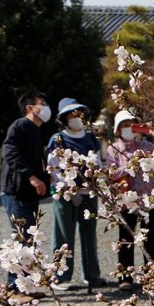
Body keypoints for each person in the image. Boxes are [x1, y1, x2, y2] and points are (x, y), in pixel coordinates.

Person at [46, 98, 106, 291]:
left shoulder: (91, 138)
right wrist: (67, 187)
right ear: (63, 118)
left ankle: (92, 275)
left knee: (89, 234)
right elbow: (53, 168)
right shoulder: (58, 139)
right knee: (64, 234)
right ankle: (61, 276)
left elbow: (97, 162)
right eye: (71, 115)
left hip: (89, 191)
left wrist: (95, 183)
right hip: (65, 193)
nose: (75, 118)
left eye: (78, 114)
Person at [0, 91, 51, 302]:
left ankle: (26, 286)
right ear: (30, 108)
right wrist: (31, 177)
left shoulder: (36, 131)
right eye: (42, 103)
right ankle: (14, 288)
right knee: (22, 239)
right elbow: (9, 151)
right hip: (16, 191)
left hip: (28, 193)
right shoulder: (21, 125)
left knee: (30, 240)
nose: (46, 106)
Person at [106, 110, 154, 291]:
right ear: (117, 129)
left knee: (150, 239)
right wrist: (129, 166)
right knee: (126, 239)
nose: (128, 128)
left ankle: (151, 276)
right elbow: (111, 174)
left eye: (132, 124)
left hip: (148, 200)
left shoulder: (148, 147)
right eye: (124, 125)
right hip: (126, 201)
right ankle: (125, 276)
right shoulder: (113, 149)